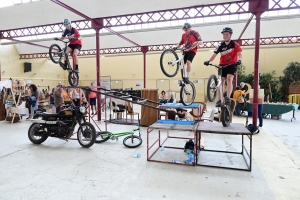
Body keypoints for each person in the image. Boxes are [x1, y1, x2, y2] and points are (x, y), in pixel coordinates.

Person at [204, 27, 243, 106]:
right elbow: (214, 55)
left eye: (227, 34)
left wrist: (240, 60)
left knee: (229, 78)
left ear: (230, 35)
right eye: (224, 34)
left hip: (232, 65)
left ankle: (228, 98)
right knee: (221, 81)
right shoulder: (220, 45)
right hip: (222, 65)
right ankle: (220, 99)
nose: (225, 36)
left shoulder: (235, 44)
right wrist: (208, 61)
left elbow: (240, 54)